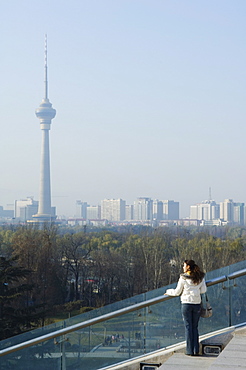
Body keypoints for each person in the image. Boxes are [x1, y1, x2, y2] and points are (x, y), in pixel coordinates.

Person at [165, 259, 207, 356]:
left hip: (186, 304)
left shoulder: (183, 278)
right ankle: (196, 349)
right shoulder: (200, 277)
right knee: (195, 327)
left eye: (184, 266)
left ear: (188, 267)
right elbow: (203, 290)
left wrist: (168, 291)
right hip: (196, 304)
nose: (183, 267)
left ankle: (189, 350)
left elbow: (177, 292)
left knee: (188, 327)